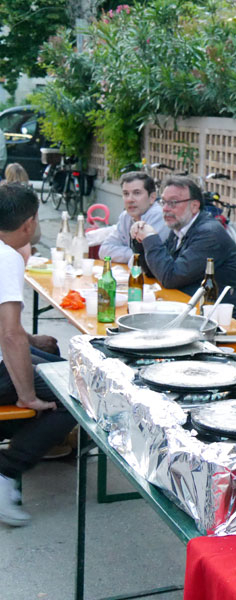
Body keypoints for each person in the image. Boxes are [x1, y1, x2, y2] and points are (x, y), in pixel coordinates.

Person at [0, 183, 75, 527]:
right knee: (79, 394)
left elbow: (12, 332)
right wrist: (28, 396)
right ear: (29, 224)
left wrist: (30, 341)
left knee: (64, 367)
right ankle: (7, 472)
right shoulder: (6, 256)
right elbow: (9, 336)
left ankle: (46, 444)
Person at [131, 175, 236, 324]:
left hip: (224, 320)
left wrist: (150, 238)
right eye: (163, 202)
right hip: (195, 311)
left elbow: (170, 277)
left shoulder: (209, 233)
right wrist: (140, 239)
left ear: (194, 206)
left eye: (173, 202)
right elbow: (155, 272)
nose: (166, 209)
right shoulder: (180, 227)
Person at [99, 171, 169, 268]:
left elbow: (142, 262)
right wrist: (133, 254)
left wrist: (130, 255)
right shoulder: (126, 216)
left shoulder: (159, 216)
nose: (129, 199)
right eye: (126, 194)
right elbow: (104, 250)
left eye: (137, 193)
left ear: (152, 197)